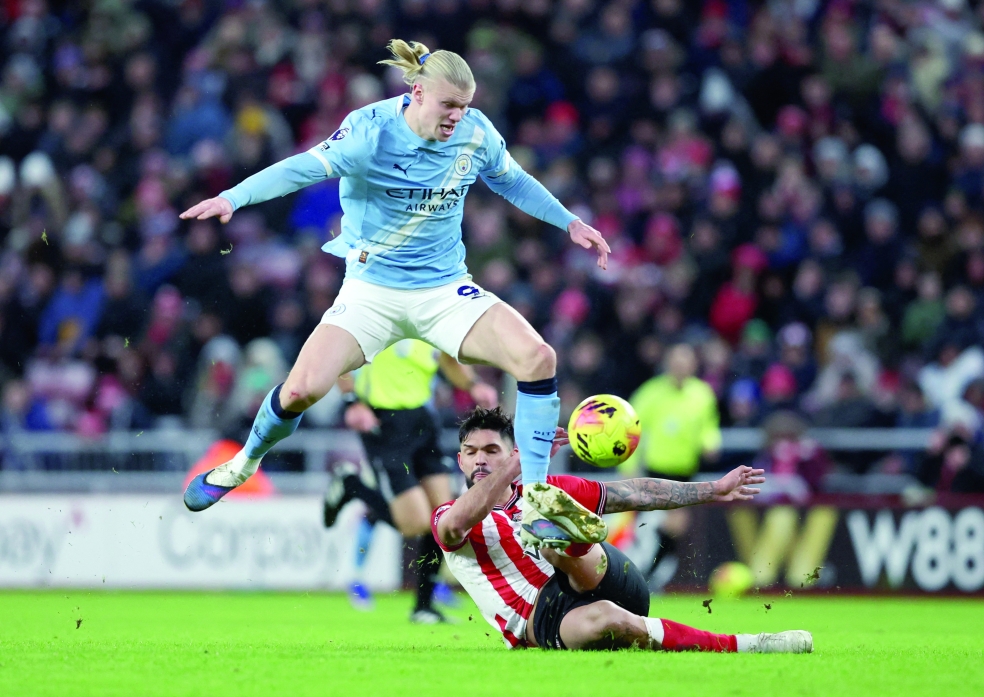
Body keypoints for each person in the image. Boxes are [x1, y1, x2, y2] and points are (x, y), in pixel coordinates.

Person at [180, 40, 611, 548]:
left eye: (465, 105)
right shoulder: (370, 131)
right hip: (372, 293)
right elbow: (301, 167)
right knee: (300, 391)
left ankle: (535, 501)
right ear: (417, 93)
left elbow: (512, 181)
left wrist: (569, 221)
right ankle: (242, 465)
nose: (458, 115)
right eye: (449, 105)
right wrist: (234, 197)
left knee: (538, 358)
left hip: (444, 290)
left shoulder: (474, 133)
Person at [432, 407, 813, 653]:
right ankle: (753, 644)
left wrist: (713, 488)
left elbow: (636, 493)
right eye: (471, 452)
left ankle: (570, 539)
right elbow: (455, 527)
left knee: (548, 529)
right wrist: (520, 465)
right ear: (460, 460)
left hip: (608, 575)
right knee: (607, 620)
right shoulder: (447, 515)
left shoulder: (546, 490)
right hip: (540, 619)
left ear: (512, 453)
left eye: (492, 451)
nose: (480, 459)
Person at [323, 339, 498, 623]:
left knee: (445, 519)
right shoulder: (379, 321)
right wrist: (351, 402)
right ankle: (351, 485)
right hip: (383, 422)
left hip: (423, 422)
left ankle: (423, 607)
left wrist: (473, 385)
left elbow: (448, 360)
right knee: (415, 524)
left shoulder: (431, 326)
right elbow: (339, 356)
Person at [624, 344, 721, 583]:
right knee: (658, 526)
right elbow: (629, 429)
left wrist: (711, 443)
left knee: (674, 528)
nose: (680, 367)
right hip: (656, 472)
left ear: (693, 365)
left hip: (685, 473)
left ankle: (650, 575)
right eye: (676, 363)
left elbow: (708, 427)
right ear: (668, 364)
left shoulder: (702, 394)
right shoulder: (651, 393)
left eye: (684, 363)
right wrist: (629, 466)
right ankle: (644, 574)